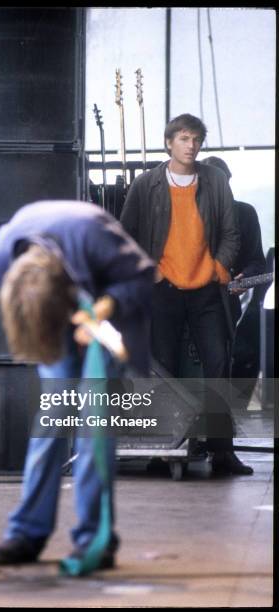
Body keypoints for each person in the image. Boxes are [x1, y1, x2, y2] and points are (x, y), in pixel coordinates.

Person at [0, 199, 154, 571]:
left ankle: (95, 538)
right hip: (50, 311)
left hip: (103, 305)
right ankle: (26, 534)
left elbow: (143, 277)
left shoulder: (92, 235)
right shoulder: (1, 257)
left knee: (94, 432)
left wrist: (102, 310)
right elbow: (21, 308)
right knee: (51, 421)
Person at [120, 113, 253, 475]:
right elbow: (125, 235)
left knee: (217, 365)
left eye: (196, 139)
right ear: (169, 143)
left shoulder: (214, 182)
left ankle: (222, 451)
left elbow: (231, 233)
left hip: (206, 291)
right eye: (183, 138)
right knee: (163, 369)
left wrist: (217, 268)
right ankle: (161, 452)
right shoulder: (145, 184)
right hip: (163, 291)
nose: (190, 145)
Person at [202, 156, 267, 406]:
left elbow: (257, 262)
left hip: (225, 301)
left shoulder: (244, 214)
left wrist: (246, 278)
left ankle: (219, 429)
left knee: (222, 362)